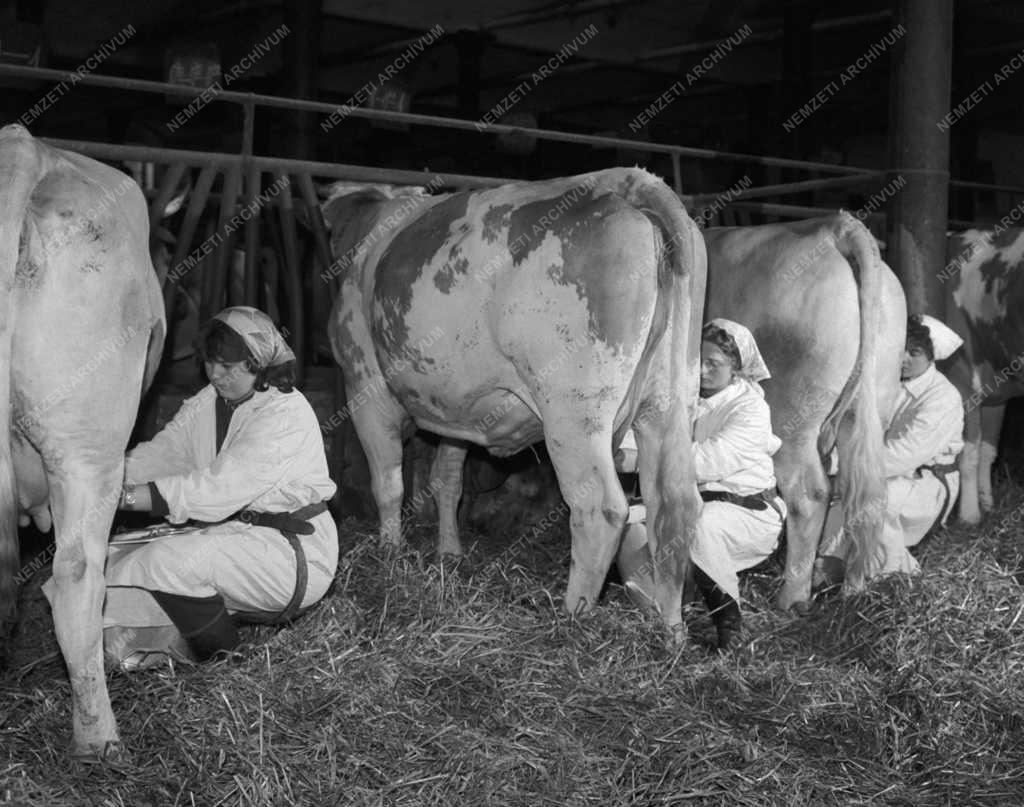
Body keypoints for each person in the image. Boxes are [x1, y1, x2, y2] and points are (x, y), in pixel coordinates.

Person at [46, 306, 338, 670]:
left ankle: (228, 668)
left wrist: (123, 499)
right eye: (210, 363)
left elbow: (214, 492)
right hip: (237, 534)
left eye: (227, 367)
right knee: (108, 559)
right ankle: (133, 653)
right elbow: (162, 455)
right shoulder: (209, 401)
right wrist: (95, 479)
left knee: (169, 562)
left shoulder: (284, 415)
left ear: (258, 362)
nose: (214, 375)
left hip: (290, 553)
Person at [617, 319, 785, 651]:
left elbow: (704, 462)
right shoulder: (682, 395)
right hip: (688, 501)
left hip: (748, 512)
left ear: (736, 367)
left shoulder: (750, 407)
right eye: (699, 361)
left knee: (697, 524)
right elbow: (627, 445)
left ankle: (731, 630)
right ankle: (665, 619)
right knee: (624, 526)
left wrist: (644, 454)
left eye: (715, 364)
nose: (704, 371)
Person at [818, 314, 965, 581]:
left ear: (931, 357)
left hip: (927, 482)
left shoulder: (943, 397)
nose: (905, 358)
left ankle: (896, 577)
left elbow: (905, 454)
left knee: (870, 503)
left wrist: (847, 470)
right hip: (881, 470)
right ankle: (831, 569)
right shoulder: (885, 384)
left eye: (915, 352)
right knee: (838, 503)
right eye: (901, 349)